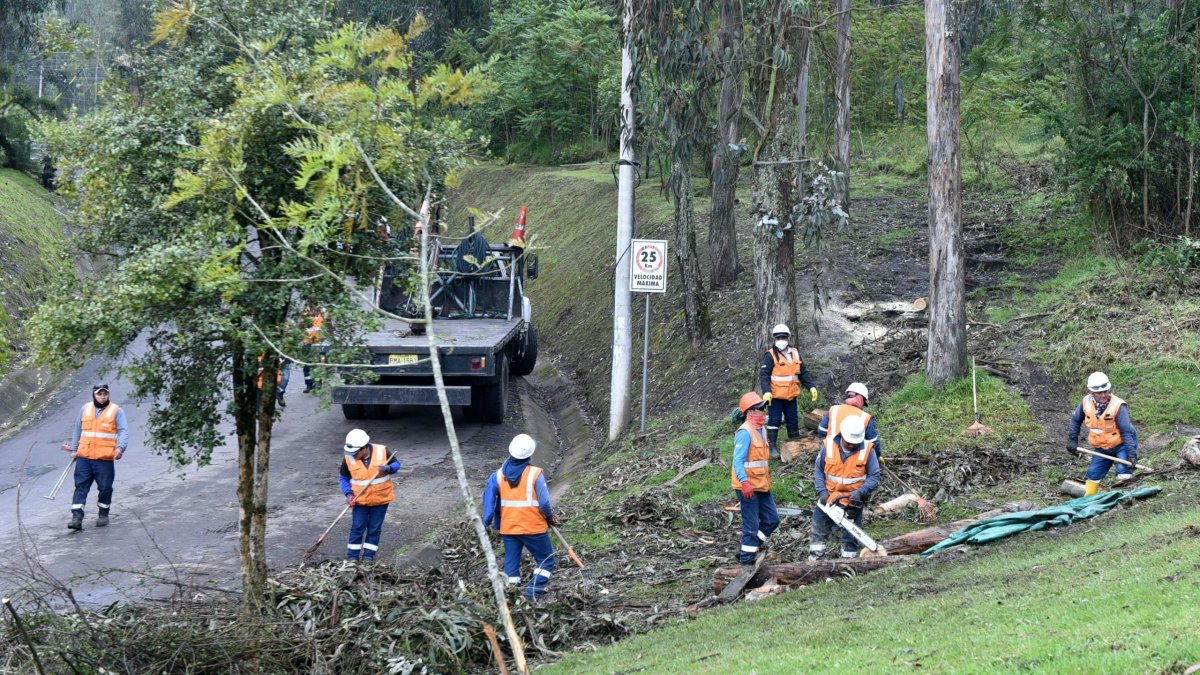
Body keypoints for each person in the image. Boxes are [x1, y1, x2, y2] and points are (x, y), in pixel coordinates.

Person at [482, 434, 558, 600]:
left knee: (511, 565)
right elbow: (544, 503)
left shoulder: (497, 476)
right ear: (529, 455)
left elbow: (488, 504)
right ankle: (532, 593)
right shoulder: (535, 474)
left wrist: (486, 523)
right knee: (547, 560)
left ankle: (511, 597)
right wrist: (550, 518)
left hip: (508, 528)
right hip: (533, 528)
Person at [810, 415, 880, 560]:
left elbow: (874, 477)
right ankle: (815, 560)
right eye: (849, 442)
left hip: (852, 498)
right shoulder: (828, 446)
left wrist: (860, 492)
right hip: (829, 496)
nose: (852, 445)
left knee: (850, 535)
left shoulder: (868, 450)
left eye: (855, 443)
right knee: (819, 530)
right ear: (842, 435)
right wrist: (822, 492)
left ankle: (849, 562)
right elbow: (818, 470)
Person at [61, 384, 129, 530]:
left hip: (104, 459)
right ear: (94, 394)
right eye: (99, 394)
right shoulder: (85, 409)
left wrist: (120, 448)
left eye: (105, 394)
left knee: (105, 488)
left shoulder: (116, 411)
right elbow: (77, 429)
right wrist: (74, 449)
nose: (102, 397)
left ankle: (103, 514)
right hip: (84, 457)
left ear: (108, 395)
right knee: (80, 486)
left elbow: (123, 430)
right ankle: (77, 518)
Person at [1067, 371, 1139, 496]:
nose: (1104, 395)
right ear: (1092, 392)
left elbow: (1126, 432)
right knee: (1093, 474)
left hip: (1122, 444)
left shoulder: (1118, 405)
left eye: (1106, 391)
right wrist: (1072, 440)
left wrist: (1131, 453)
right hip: (1101, 447)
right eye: (1100, 393)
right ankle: (1089, 501)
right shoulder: (1086, 402)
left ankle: (1127, 501)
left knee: (1123, 472)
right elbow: (1075, 420)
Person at [732, 392, 780, 567]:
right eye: (760, 409)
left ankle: (748, 548)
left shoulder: (762, 429)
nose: (763, 411)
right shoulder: (745, 432)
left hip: (761, 485)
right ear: (750, 412)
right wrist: (744, 483)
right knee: (751, 527)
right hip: (748, 486)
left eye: (763, 408)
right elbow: (737, 462)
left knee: (772, 520)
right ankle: (746, 563)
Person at [339, 429, 400, 562]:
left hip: (381, 500)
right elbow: (343, 478)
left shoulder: (382, 451)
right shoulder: (349, 458)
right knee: (357, 527)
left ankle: (368, 558)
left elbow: (396, 464)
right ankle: (352, 558)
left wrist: (389, 469)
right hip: (359, 501)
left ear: (364, 448)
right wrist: (348, 494)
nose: (352, 456)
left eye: (355, 453)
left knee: (374, 528)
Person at [758, 324, 818, 458]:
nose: (781, 339)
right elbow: (764, 375)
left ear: (788, 337)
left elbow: (803, 373)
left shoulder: (795, 353)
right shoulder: (770, 355)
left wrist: (811, 386)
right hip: (776, 396)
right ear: (774, 338)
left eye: (783, 337)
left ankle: (795, 446)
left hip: (791, 395)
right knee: (774, 420)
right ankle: (772, 447)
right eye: (778, 337)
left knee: (792, 420)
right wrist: (766, 391)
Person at [817, 382, 882, 456]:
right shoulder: (865, 417)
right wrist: (877, 456)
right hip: (854, 458)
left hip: (830, 455)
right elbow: (873, 441)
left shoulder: (833, 409)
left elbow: (821, 430)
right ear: (861, 399)